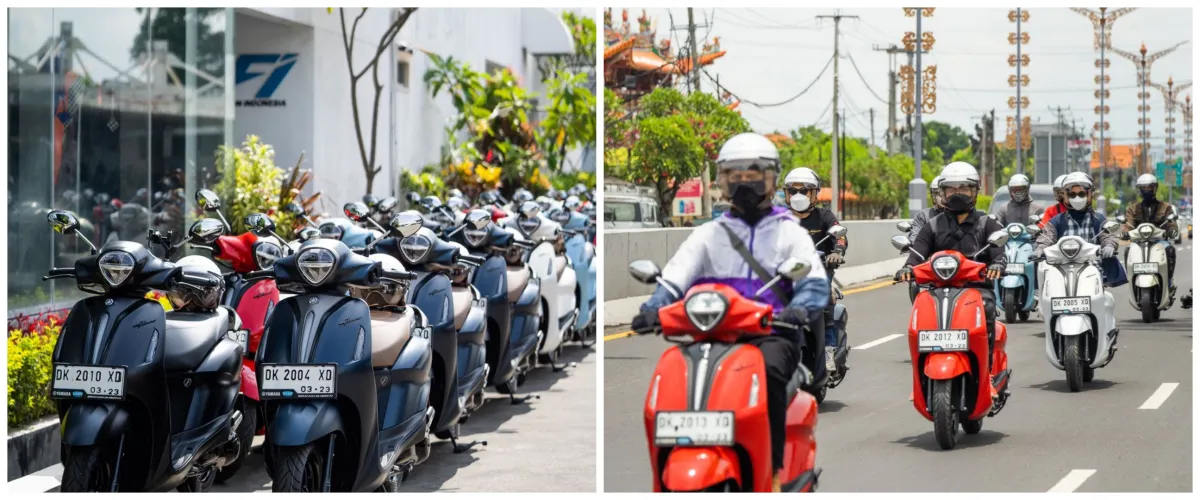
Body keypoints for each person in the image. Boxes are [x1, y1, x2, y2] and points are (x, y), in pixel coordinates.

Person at [630, 132, 829, 492]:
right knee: (671, 375)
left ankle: (771, 473)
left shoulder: (790, 232)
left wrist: (800, 308)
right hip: (708, 335)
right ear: (721, 181)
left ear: (770, 181)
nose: (745, 187)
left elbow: (814, 282)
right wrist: (652, 307)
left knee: (767, 373)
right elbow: (675, 278)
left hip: (771, 334)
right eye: (734, 178)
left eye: (754, 178)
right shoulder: (709, 233)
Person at [895, 162, 1005, 398]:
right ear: (942, 193)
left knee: (986, 310)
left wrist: (997, 264)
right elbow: (917, 252)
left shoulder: (987, 223)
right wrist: (907, 268)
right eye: (951, 189)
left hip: (975, 289)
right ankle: (920, 379)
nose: (958, 194)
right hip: (937, 289)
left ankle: (988, 376)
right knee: (919, 319)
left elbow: (998, 251)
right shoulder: (932, 226)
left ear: (975, 191)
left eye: (964, 188)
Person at [782, 167, 848, 375]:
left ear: (814, 194)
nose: (798, 196)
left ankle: (829, 349)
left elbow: (840, 237)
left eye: (804, 191)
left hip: (819, 270)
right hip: (786, 273)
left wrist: (836, 252)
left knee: (826, 299)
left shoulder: (824, 216)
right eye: (793, 191)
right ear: (786, 194)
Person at [1033, 172, 1123, 285]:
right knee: (1046, 298)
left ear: (1090, 194)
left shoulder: (1098, 219)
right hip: (1061, 274)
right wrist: (1040, 249)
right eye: (1072, 194)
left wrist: (1109, 246)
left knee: (1107, 301)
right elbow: (1046, 238)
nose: (1077, 198)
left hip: (1092, 272)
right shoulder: (1056, 221)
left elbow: (1108, 235)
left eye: (1081, 194)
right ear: (1065, 196)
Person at [1121, 173, 1179, 295]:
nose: (1147, 190)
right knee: (1127, 251)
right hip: (1138, 242)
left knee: (1170, 250)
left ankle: (1168, 282)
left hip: (1159, 241)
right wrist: (1125, 233)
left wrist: (1172, 230)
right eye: (1144, 187)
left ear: (1155, 188)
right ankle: (1131, 280)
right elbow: (1128, 224)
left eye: (1150, 187)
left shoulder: (1165, 207)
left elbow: (1171, 222)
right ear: (1139, 190)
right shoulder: (1133, 209)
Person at [908, 175, 945, 243]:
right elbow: (915, 239)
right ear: (933, 195)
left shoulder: (963, 215)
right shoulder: (923, 216)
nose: (944, 196)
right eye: (939, 193)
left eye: (949, 192)